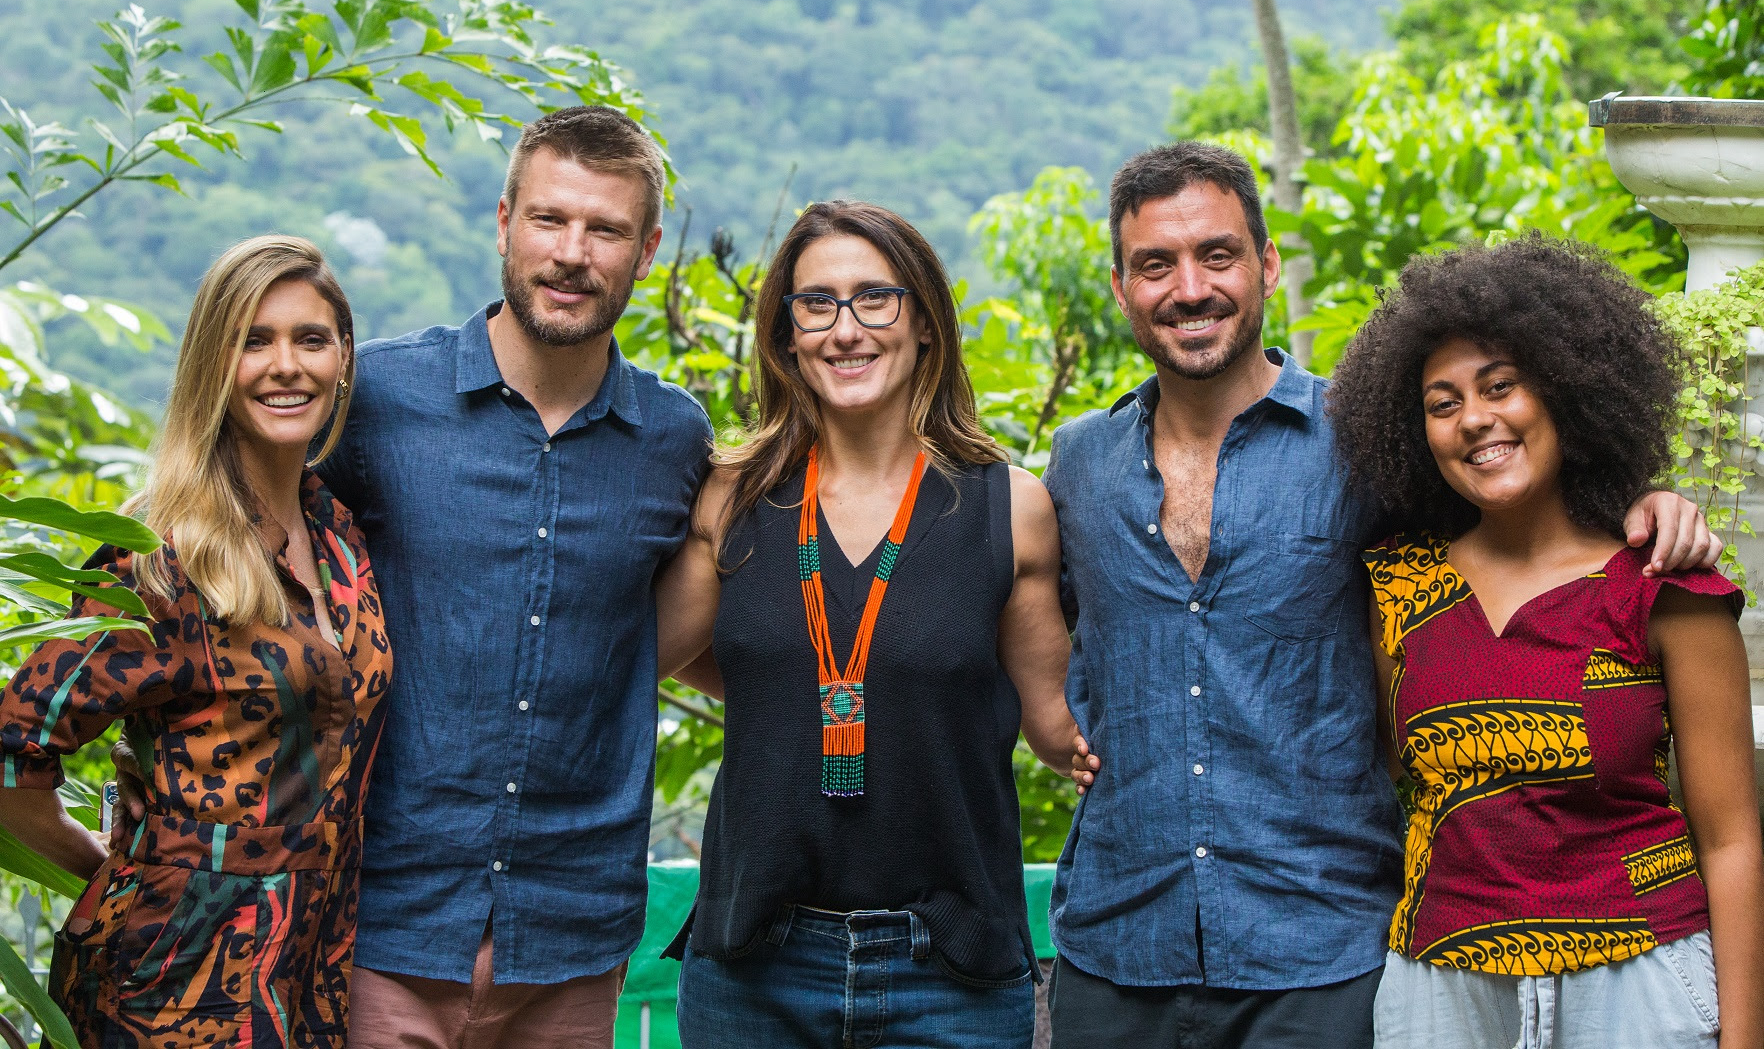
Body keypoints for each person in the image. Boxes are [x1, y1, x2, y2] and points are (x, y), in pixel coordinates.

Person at [1040, 142, 1723, 1049]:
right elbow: (1024, 613)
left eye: (1218, 254)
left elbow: (1515, 503)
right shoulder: (1077, 463)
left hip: (1322, 952)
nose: (1189, 287)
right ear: (1121, 286)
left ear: (1267, 265)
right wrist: (1050, 720)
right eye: (1154, 264)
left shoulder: (1364, 443)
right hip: (1116, 947)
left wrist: (1645, 502)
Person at [116, 107, 713, 1048]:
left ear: (647, 252)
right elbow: (232, 534)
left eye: (604, 230)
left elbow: (665, 631)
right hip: (378, 924)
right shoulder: (374, 399)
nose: (572, 253)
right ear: (505, 219)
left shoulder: (675, 438)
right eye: (550, 220)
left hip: (573, 935)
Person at [652, 200, 1094, 1049]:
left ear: (924, 320)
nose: (845, 328)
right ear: (785, 335)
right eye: (816, 303)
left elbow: (1057, 727)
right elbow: (638, 660)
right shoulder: (730, 496)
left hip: (953, 972)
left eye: (873, 299)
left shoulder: (1011, 507)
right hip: (755, 971)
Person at [1325, 234, 1763, 1049]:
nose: (1476, 419)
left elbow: (1733, 839)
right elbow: (1395, 775)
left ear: (1565, 389)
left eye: (1502, 386)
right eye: (1442, 402)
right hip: (1441, 986)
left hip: (1640, 981)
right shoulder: (1397, 589)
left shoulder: (1666, 589)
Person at [0, 236, 386, 1047]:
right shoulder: (161, 554)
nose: (286, 364)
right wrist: (112, 866)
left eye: (310, 339)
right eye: (254, 339)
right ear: (215, 362)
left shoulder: (339, 532)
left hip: (311, 979)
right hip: (169, 984)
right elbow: (12, 753)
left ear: (344, 358)